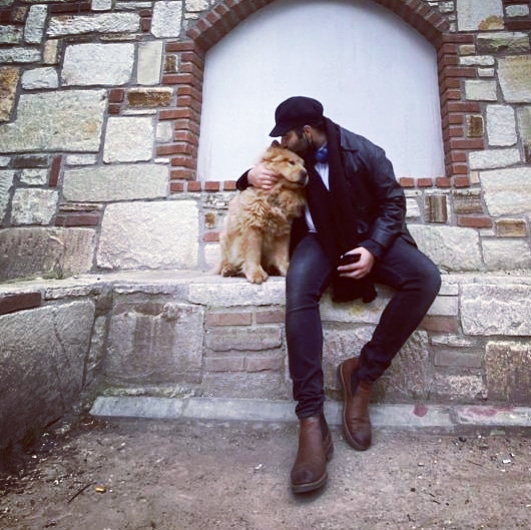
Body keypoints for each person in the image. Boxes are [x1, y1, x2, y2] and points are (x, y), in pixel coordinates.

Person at [236, 96, 441, 494]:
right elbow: (253, 180)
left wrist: (374, 249)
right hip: (317, 241)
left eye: (286, 136)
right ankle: (311, 419)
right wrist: (248, 174)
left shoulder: (365, 151)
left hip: (366, 235)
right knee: (298, 289)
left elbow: (393, 204)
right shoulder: (291, 159)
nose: (281, 143)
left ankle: (362, 376)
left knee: (426, 278)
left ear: (306, 131)